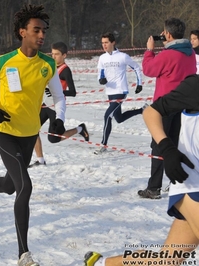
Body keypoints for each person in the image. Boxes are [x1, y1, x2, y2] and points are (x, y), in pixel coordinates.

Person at [0, 4, 66, 265]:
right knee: (25, 186)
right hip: (5, 133)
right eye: (36, 30)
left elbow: (58, 96)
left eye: (43, 31)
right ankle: (23, 254)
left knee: (10, 186)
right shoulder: (3, 61)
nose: (41, 35)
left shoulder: (47, 64)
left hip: (28, 134)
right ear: (22, 32)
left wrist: (59, 119)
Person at [84, 74, 199, 266]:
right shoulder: (195, 86)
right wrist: (167, 148)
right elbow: (151, 112)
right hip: (191, 182)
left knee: (167, 260)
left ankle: (101, 263)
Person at [137, 18, 196, 199]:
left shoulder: (168, 55)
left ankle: (154, 187)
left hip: (164, 106)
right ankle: (177, 184)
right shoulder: (190, 53)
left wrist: (149, 51)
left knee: (159, 145)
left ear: (167, 34)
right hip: (184, 105)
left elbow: (149, 69)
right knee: (179, 145)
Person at [28, 41, 89, 168]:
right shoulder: (51, 66)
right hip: (45, 105)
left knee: (53, 139)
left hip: (57, 108)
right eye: (52, 54)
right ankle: (40, 160)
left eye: (57, 54)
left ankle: (80, 129)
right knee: (32, 130)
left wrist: (56, 91)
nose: (54, 57)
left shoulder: (65, 71)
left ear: (64, 55)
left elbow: (72, 92)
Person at [95, 32, 144, 155]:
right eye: (102, 43)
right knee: (119, 118)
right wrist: (101, 80)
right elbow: (100, 74)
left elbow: (136, 67)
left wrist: (139, 84)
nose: (104, 45)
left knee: (107, 116)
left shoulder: (123, 56)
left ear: (113, 42)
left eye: (106, 42)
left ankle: (103, 144)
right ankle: (142, 110)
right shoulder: (102, 58)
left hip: (121, 91)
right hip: (110, 92)